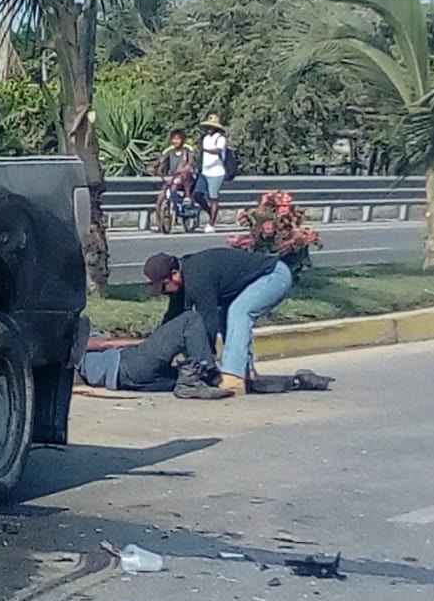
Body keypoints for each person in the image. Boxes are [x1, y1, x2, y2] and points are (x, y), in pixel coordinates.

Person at [143, 248, 294, 396]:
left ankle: (233, 377)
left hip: (273, 275)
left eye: (163, 286)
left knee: (239, 312)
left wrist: (204, 364)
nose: (163, 291)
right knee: (228, 315)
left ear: (175, 274)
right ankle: (246, 372)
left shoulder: (197, 278)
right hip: (251, 282)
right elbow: (173, 318)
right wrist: (151, 348)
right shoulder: (183, 279)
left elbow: (208, 321)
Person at [76, 310, 232, 399]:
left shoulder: (63, 348)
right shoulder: (73, 337)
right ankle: (211, 372)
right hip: (127, 363)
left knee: (186, 376)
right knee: (189, 320)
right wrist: (144, 342)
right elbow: (104, 343)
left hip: (127, 380)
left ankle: (190, 385)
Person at [197, 114, 228, 232]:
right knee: (197, 195)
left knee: (213, 197)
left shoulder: (220, 138)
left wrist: (205, 150)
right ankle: (211, 212)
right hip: (205, 171)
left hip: (217, 172)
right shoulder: (205, 139)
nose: (209, 128)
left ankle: (211, 223)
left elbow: (218, 151)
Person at [156, 127, 197, 214]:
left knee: (185, 174)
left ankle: (187, 196)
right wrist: (153, 166)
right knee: (160, 197)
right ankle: (160, 225)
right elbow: (160, 160)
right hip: (173, 178)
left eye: (178, 139)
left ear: (183, 139)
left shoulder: (187, 149)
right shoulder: (169, 150)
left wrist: (187, 166)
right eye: (174, 139)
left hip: (187, 179)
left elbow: (191, 161)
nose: (176, 141)